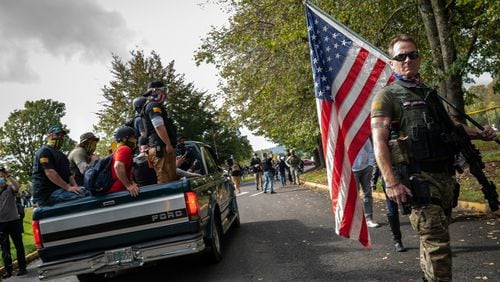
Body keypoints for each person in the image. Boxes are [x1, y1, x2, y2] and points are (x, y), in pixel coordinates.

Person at [371, 34, 498, 281]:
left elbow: (453, 127)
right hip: (417, 180)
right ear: (392, 62)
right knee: (438, 246)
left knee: (433, 240)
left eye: (412, 55)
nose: (407, 60)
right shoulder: (387, 97)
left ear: (419, 58)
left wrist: (480, 134)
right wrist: (391, 182)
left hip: (445, 179)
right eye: (401, 56)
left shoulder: (429, 93)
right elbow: (379, 142)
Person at [32, 125, 88, 206]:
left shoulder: (61, 155)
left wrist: (76, 187)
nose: (60, 138)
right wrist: (68, 187)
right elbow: (50, 172)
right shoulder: (44, 151)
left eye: (62, 136)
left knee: (87, 191)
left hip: (61, 189)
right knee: (82, 197)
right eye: (57, 135)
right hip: (47, 194)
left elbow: (69, 175)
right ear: (49, 136)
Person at [142, 80, 178, 183]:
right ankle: (167, 200)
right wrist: (168, 144)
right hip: (161, 148)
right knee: (165, 181)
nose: (165, 93)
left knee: (171, 178)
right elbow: (158, 126)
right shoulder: (153, 105)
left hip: (160, 147)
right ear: (156, 91)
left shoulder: (151, 105)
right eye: (163, 90)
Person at [0, 167, 27, 277]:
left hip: (14, 221)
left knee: (18, 245)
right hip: (1, 223)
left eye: (1, 176)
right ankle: (8, 270)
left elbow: (17, 186)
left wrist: (8, 175)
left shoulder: (9, 188)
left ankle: (22, 268)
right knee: (4, 247)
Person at [352, 139, 380, 228]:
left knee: (367, 194)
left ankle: (369, 219)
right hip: (352, 170)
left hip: (366, 168)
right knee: (354, 196)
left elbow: (370, 150)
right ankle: (357, 220)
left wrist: (370, 164)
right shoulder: (346, 134)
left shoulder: (362, 133)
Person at [107, 126, 140, 197]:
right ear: (124, 139)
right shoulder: (124, 149)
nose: (135, 140)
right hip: (119, 192)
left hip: (117, 191)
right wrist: (128, 185)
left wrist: (131, 182)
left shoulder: (117, 150)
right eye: (133, 137)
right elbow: (118, 166)